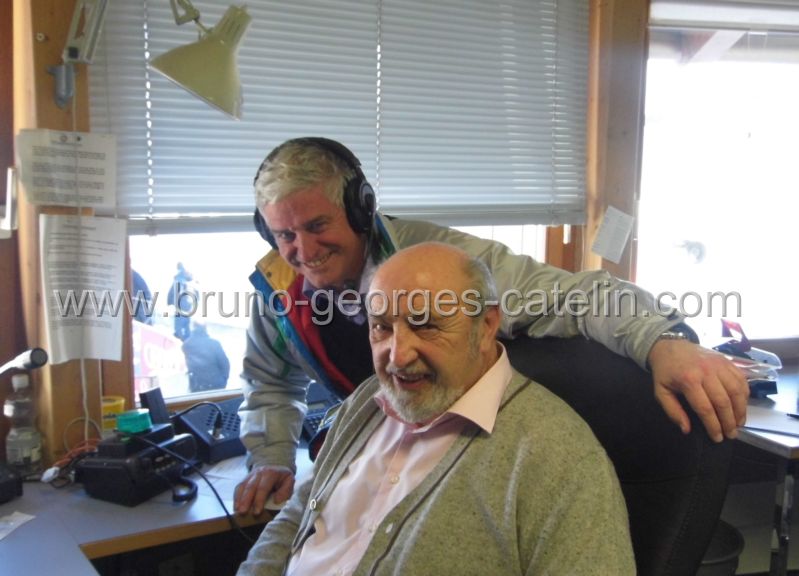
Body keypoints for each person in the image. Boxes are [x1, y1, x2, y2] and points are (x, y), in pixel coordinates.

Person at [235, 137, 749, 516]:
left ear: (359, 208)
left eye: (317, 226)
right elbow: (269, 383)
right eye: (284, 235)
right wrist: (272, 458)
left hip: (459, 472)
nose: (304, 251)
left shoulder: (443, 263)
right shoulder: (279, 289)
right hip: (372, 461)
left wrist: (661, 341)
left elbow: (577, 295)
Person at [223, 243, 636, 576]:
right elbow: (298, 516)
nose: (398, 355)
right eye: (382, 328)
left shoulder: (560, 458)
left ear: (486, 325)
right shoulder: (367, 401)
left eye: (425, 325)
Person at [181, 321, 231, 392]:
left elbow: (190, 366)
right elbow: (225, 364)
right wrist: (223, 380)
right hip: (216, 385)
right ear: (205, 328)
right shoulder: (214, 344)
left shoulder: (186, 345)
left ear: (193, 327)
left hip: (197, 386)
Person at [167, 262, 196, 341]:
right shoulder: (187, 278)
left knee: (179, 322)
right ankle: (187, 338)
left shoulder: (179, 279)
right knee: (186, 322)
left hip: (181, 304)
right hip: (188, 304)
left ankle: (179, 337)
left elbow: (174, 292)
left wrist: (170, 301)